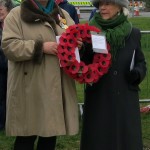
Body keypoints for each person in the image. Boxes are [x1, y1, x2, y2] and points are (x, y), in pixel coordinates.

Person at [1, 0, 82, 149]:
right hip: (30, 85)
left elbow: (70, 32)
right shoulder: (16, 15)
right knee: (26, 134)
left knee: (50, 133)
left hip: (55, 86)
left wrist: (76, 41)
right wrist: (40, 47)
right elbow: (9, 46)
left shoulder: (61, 15)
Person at [80, 0, 147, 150]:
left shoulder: (133, 32)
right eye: (100, 4)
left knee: (126, 140)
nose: (102, 8)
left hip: (125, 96)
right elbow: (83, 62)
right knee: (99, 138)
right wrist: (83, 50)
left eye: (108, 4)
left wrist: (136, 74)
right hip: (99, 95)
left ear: (119, 7)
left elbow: (141, 63)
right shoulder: (90, 32)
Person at [0, 0, 13, 131]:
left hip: (12, 65)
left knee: (12, 95)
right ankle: (2, 123)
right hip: (1, 65)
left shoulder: (14, 24)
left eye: (1, 10)